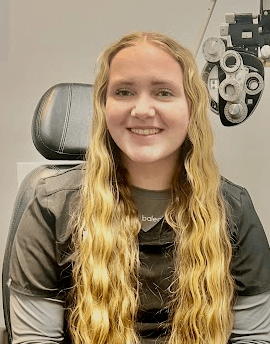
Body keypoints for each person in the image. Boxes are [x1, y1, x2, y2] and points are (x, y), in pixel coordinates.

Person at [9, 31, 270, 344]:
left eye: (163, 92)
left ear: (191, 108)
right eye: (123, 92)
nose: (143, 110)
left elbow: (252, 337)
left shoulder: (234, 209)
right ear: (104, 108)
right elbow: (34, 339)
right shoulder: (50, 206)